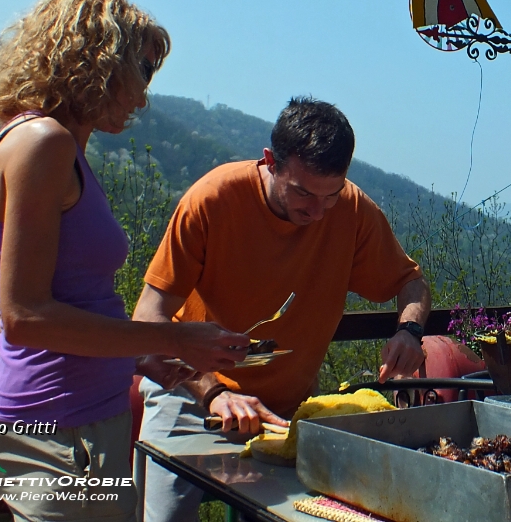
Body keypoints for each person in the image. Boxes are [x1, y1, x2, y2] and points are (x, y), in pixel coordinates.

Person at [0, 0, 249, 522]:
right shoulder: (42, 144)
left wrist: (140, 355)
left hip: (74, 422)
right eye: (141, 72)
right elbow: (25, 317)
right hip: (57, 427)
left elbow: (67, 299)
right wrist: (172, 336)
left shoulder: (59, 147)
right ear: (98, 58)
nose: (143, 96)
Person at [133, 96, 431, 522]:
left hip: (284, 414)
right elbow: (148, 319)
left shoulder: (352, 210)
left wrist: (409, 332)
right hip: (189, 395)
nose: (316, 211)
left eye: (330, 196)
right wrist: (214, 392)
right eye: (303, 193)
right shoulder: (213, 199)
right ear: (271, 161)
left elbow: (411, 282)